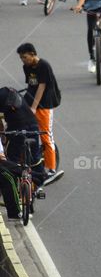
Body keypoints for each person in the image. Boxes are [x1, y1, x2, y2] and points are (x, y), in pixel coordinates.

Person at [15, 44, 63, 185]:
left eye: (25, 57)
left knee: (46, 135)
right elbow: (31, 86)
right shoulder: (27, 67)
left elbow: (41, 87)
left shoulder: (44, 65)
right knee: (27, 132)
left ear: (32, 53)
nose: (23, 60)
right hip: (32, 103)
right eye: (21, 58)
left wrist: (34, 107)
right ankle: (32, 164)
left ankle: (51, 169)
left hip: (44, 105)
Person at [0, 88, 44, 221]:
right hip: (33, 125)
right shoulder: (9, 91)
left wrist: (3, 138)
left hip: (17, 128)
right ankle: (38, 179)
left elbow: (1, 127)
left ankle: (28, 181)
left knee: (12, 160)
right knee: (35, 158)